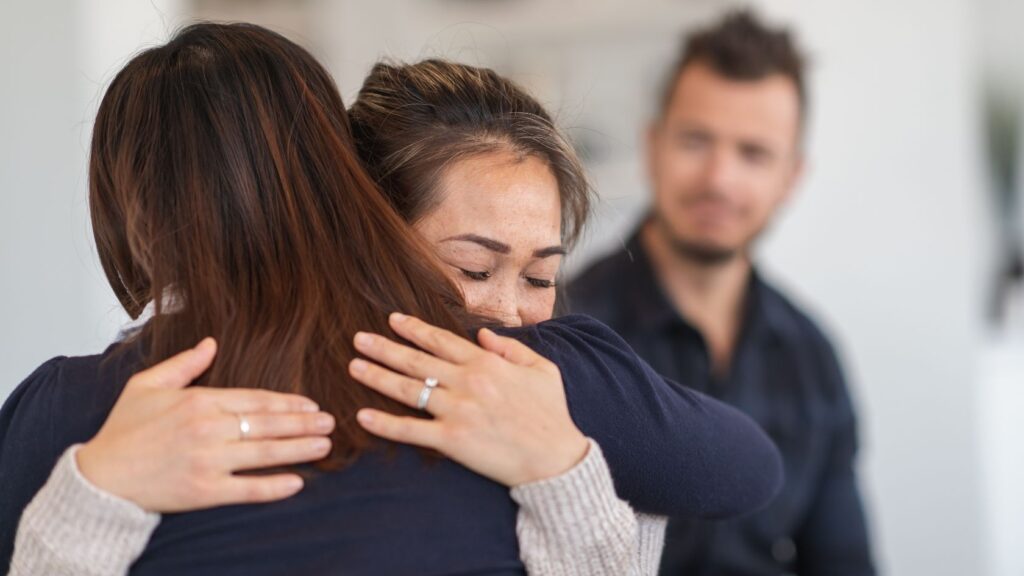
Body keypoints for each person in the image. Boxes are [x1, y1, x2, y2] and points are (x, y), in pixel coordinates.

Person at [0, 23, 781, 575]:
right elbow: (742, 469)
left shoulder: (67, 409)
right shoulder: (525, 368)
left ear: (122, 209)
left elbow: (748, 468)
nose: (504, 314)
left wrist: (560, 462)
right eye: (472, 269)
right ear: (360, 206)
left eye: (541, 277)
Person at [565, 10, 875, 576]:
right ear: (653, 146)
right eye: (695, 141)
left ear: (791, 177)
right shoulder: (567, 328)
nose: (719, 179)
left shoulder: (814, 358)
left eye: (753, 153)